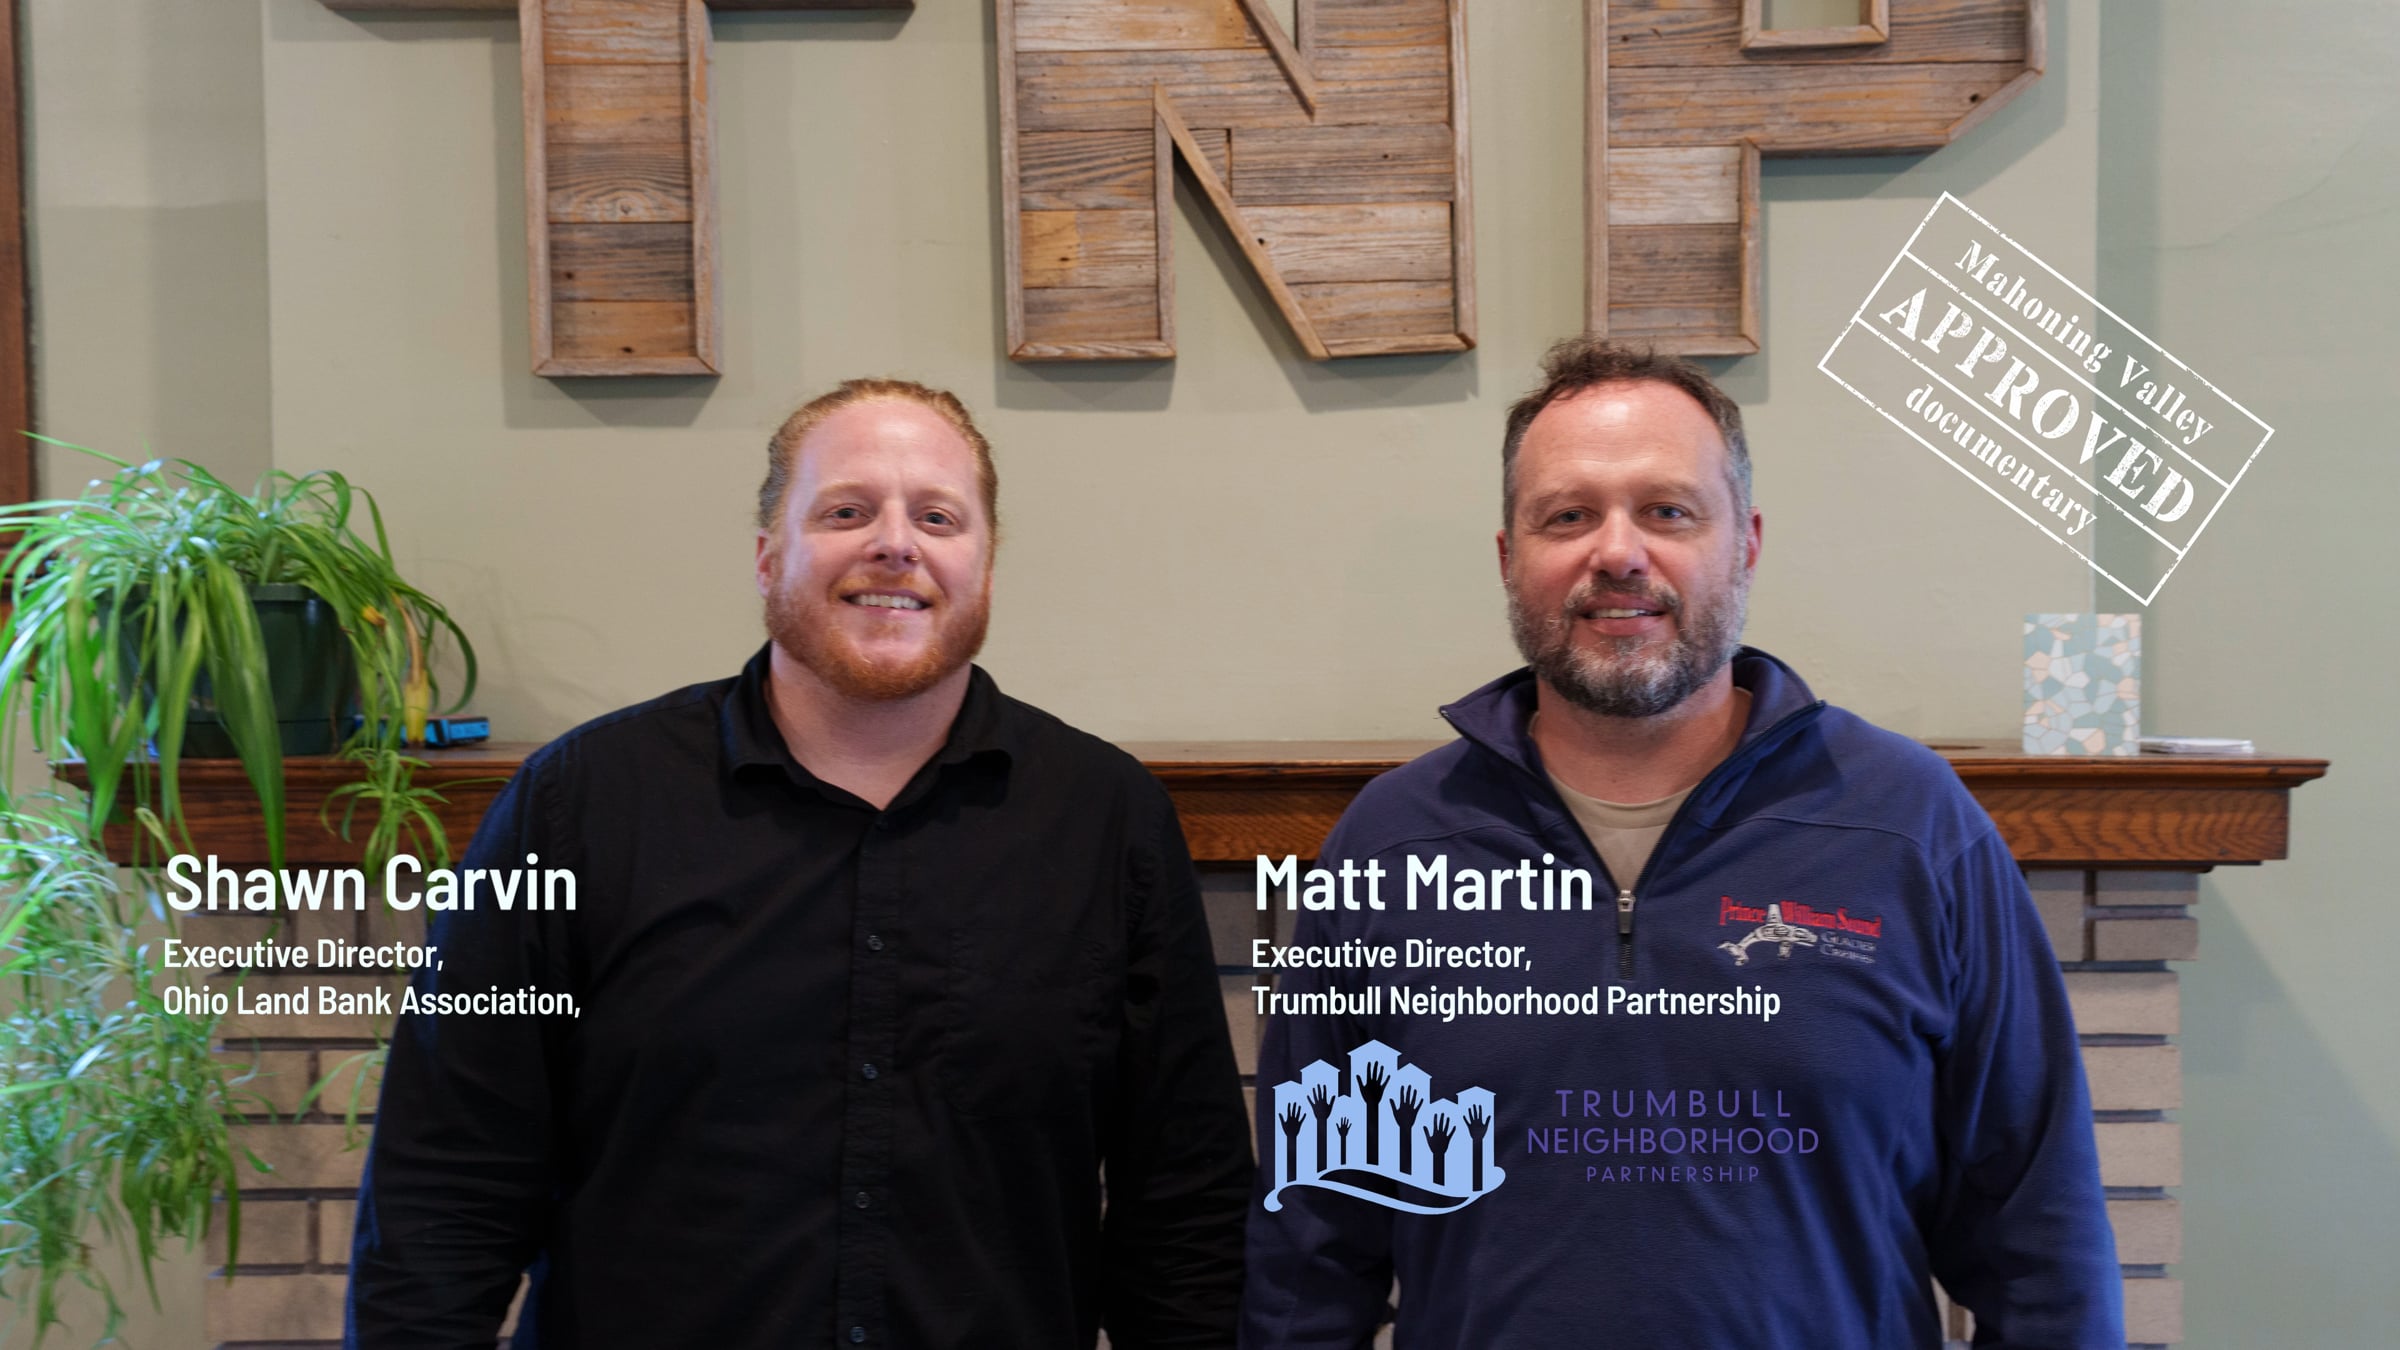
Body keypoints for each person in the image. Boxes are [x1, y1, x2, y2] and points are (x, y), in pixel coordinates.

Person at [1241, 341, 2121, 1348]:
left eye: (1667, 511)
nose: (1618, 553)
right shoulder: (1392, 845)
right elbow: (1310, 1255)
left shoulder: (1910, 826)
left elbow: (2040, 1238)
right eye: (1568, 516)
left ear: (1746, 542)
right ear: (1509, 557)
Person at [348, 378, 1252, 1350]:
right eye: (846, 511)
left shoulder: (1107, 821)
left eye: (938, 517)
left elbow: (1184, 1207)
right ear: (768, 556)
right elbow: (446, 1180)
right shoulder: (576, 807)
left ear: (985, 566)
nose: (895, 543)